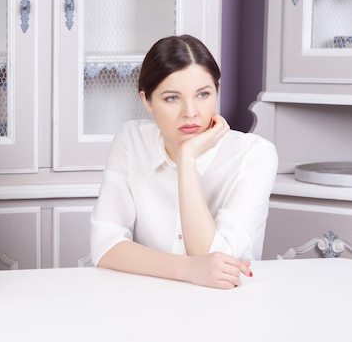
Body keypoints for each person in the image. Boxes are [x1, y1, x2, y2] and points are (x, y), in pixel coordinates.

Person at [90, 34, 278, 290]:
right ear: (146, 100)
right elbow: (105, 246)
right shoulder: (131, 140)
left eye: (203, 95)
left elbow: (218, 266)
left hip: (226, 308)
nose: (190, 112)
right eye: (172, 98)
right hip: (150, 302)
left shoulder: (255, 155)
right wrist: (187, 269)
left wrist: (187, 159)